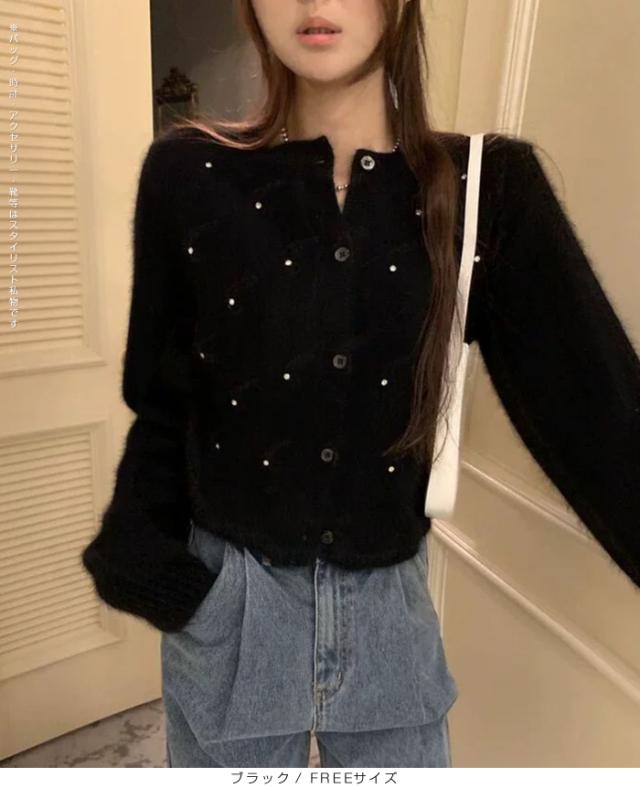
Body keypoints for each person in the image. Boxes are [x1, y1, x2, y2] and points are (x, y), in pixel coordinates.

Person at [81, 0, 640, 769]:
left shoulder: (488, 190)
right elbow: (163, 400)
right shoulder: (188, 175)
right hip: (232, 603)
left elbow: (601, 414)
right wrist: (147, 559)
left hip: (390, 618)